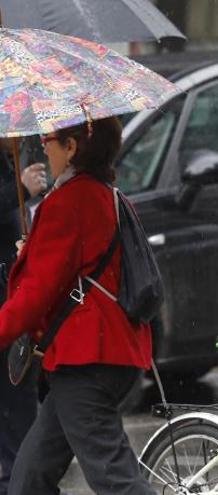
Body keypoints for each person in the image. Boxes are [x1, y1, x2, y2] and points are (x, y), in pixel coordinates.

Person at [0, 117, 154, 495]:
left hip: (87, 360)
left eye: (48, 139)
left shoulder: (69, 200)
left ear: (72, 147)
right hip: (101, 357)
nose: (43, 146)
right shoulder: (105, 192)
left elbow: (36, 294)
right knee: (29, 478)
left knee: (116, 482)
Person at [0, 141, 47, 495]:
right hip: (6, 304)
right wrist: (20, 188)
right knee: (14, 399)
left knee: (19, 395)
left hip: (14, 301)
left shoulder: (7, 157)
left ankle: (20, 479)